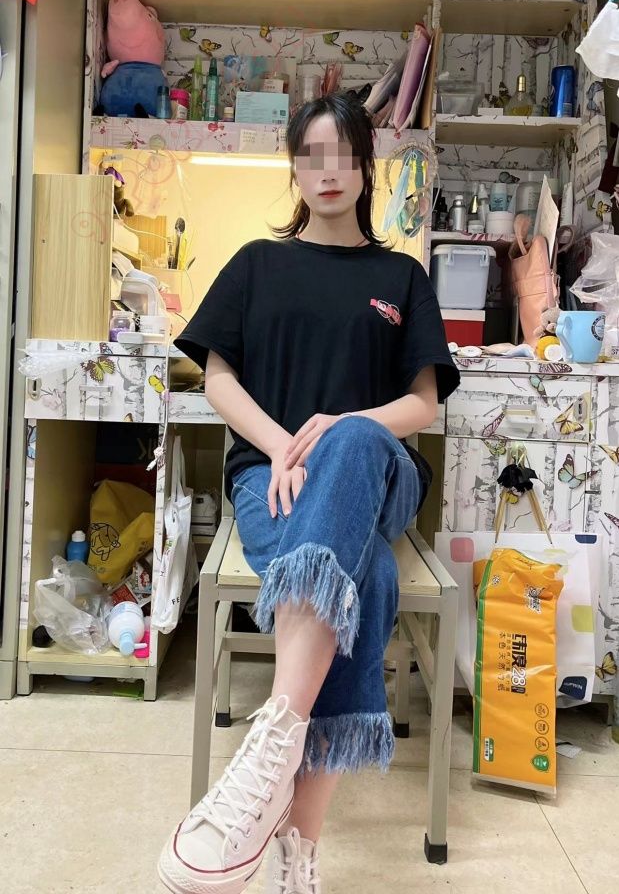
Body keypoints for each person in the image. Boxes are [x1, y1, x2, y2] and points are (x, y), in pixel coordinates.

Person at [158, 92, 460, 894]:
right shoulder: (257, 265)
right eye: (310, 157)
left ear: (365, 165)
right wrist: (281, 446)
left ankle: (272, 742)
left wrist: (336, 429)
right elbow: (217, 379)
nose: (327, 172)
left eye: (342, 155)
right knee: (373, 576)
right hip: (272, 475)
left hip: (379, 474)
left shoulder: (401, 276)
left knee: (355, 440)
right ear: (293, 169)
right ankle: (298, 853)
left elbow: (423, 405)